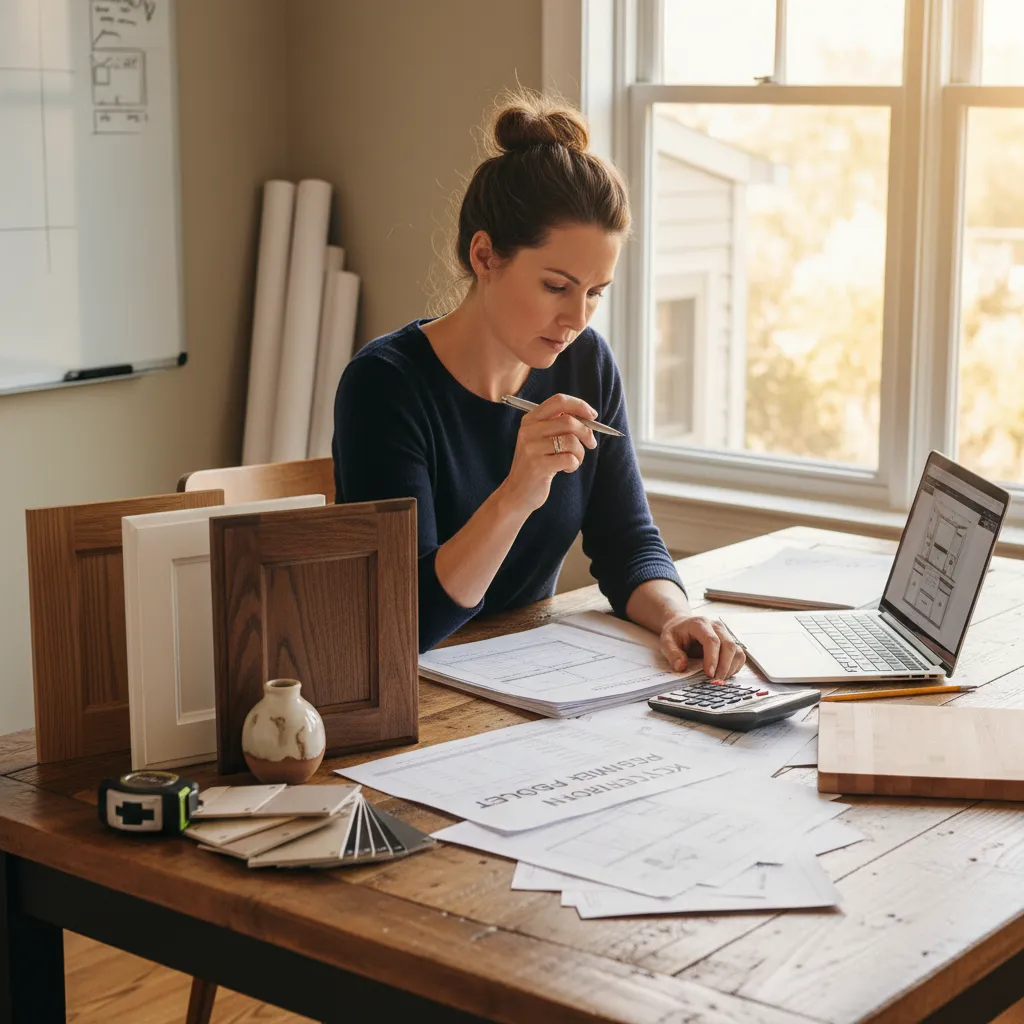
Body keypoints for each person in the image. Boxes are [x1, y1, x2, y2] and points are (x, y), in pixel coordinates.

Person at [333, 92, 745, 680]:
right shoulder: (385, 387)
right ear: (484, 255)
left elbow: (627, 542)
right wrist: (518, 493)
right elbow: (408, 618)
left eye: (595, 291)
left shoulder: (585, 364)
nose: (578, 317)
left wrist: (676, 615)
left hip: (529, 678)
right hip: (414, 684)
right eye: (557, 286)